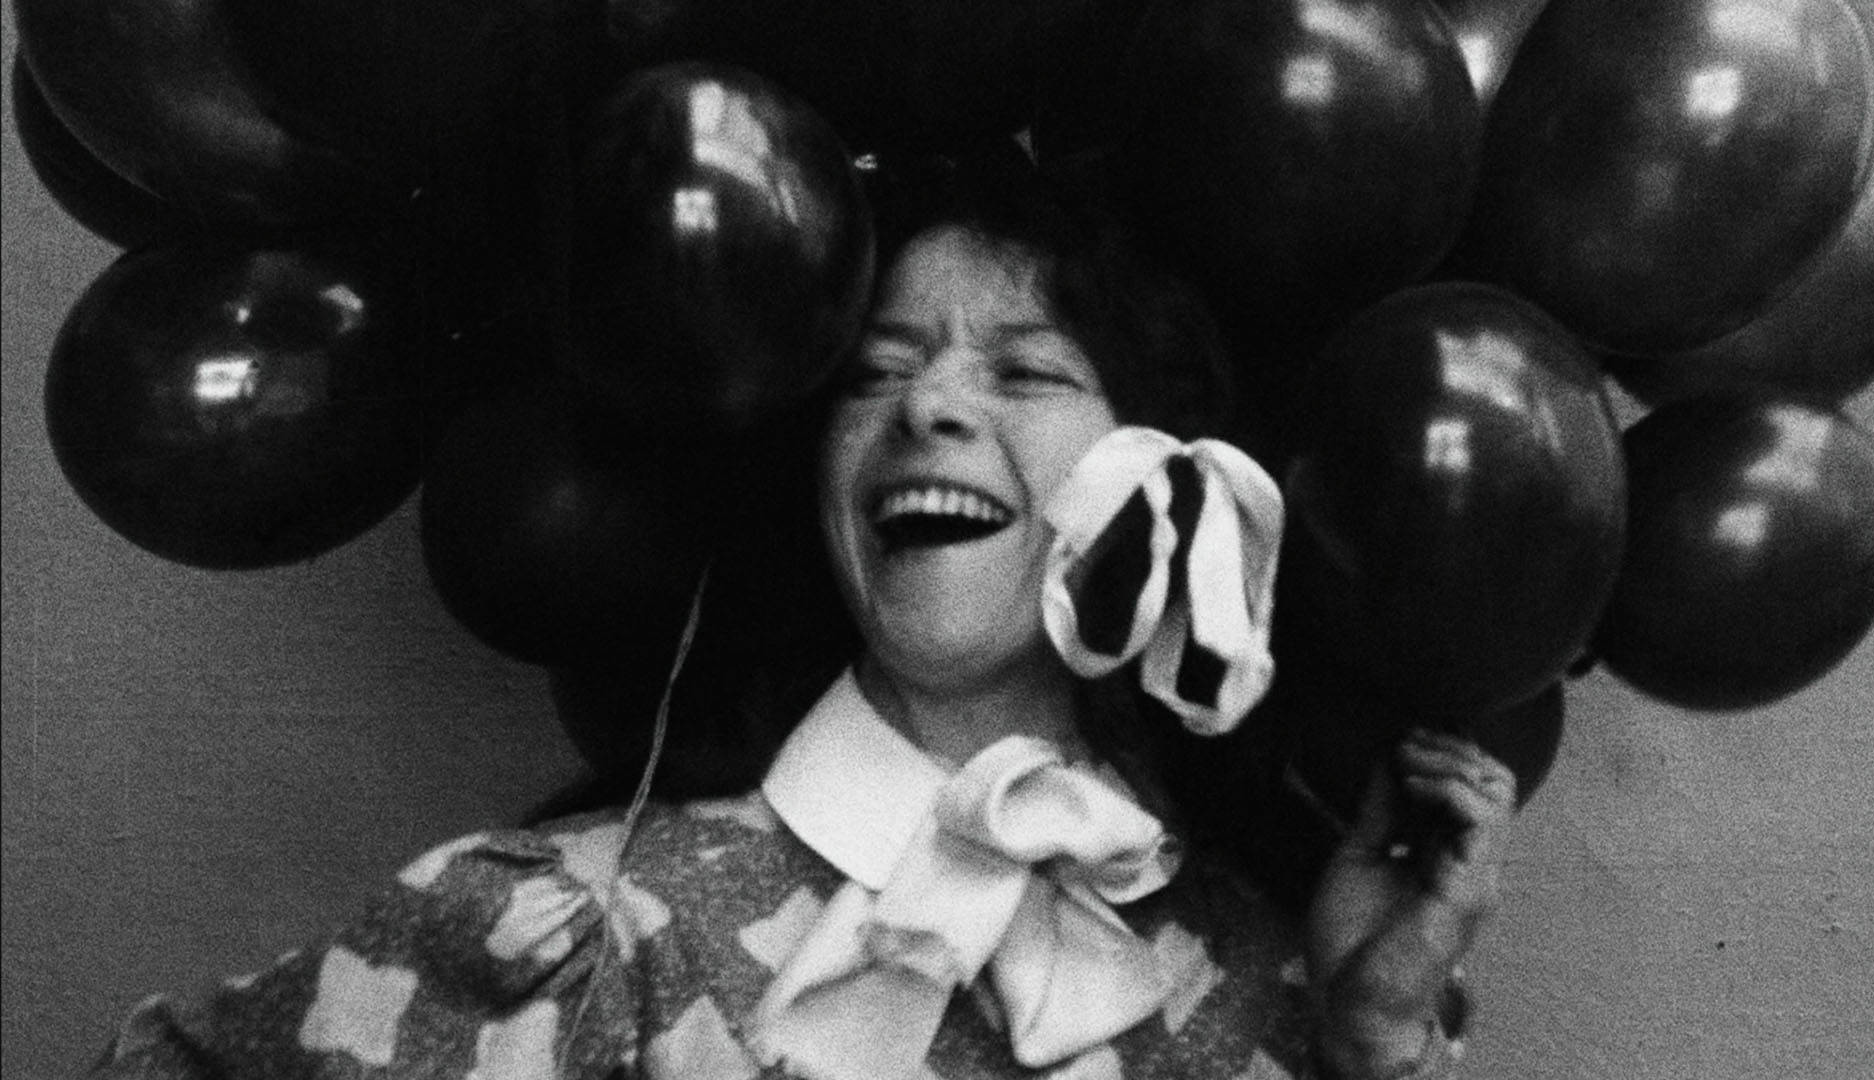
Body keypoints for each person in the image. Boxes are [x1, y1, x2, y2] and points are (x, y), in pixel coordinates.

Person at [91, 153, 1516, 1080]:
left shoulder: (1265, 985)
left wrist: (1375, 1036)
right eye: (873, 371)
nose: (929, 405)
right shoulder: (587, 933)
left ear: (1165, 487)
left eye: (1025, 372)